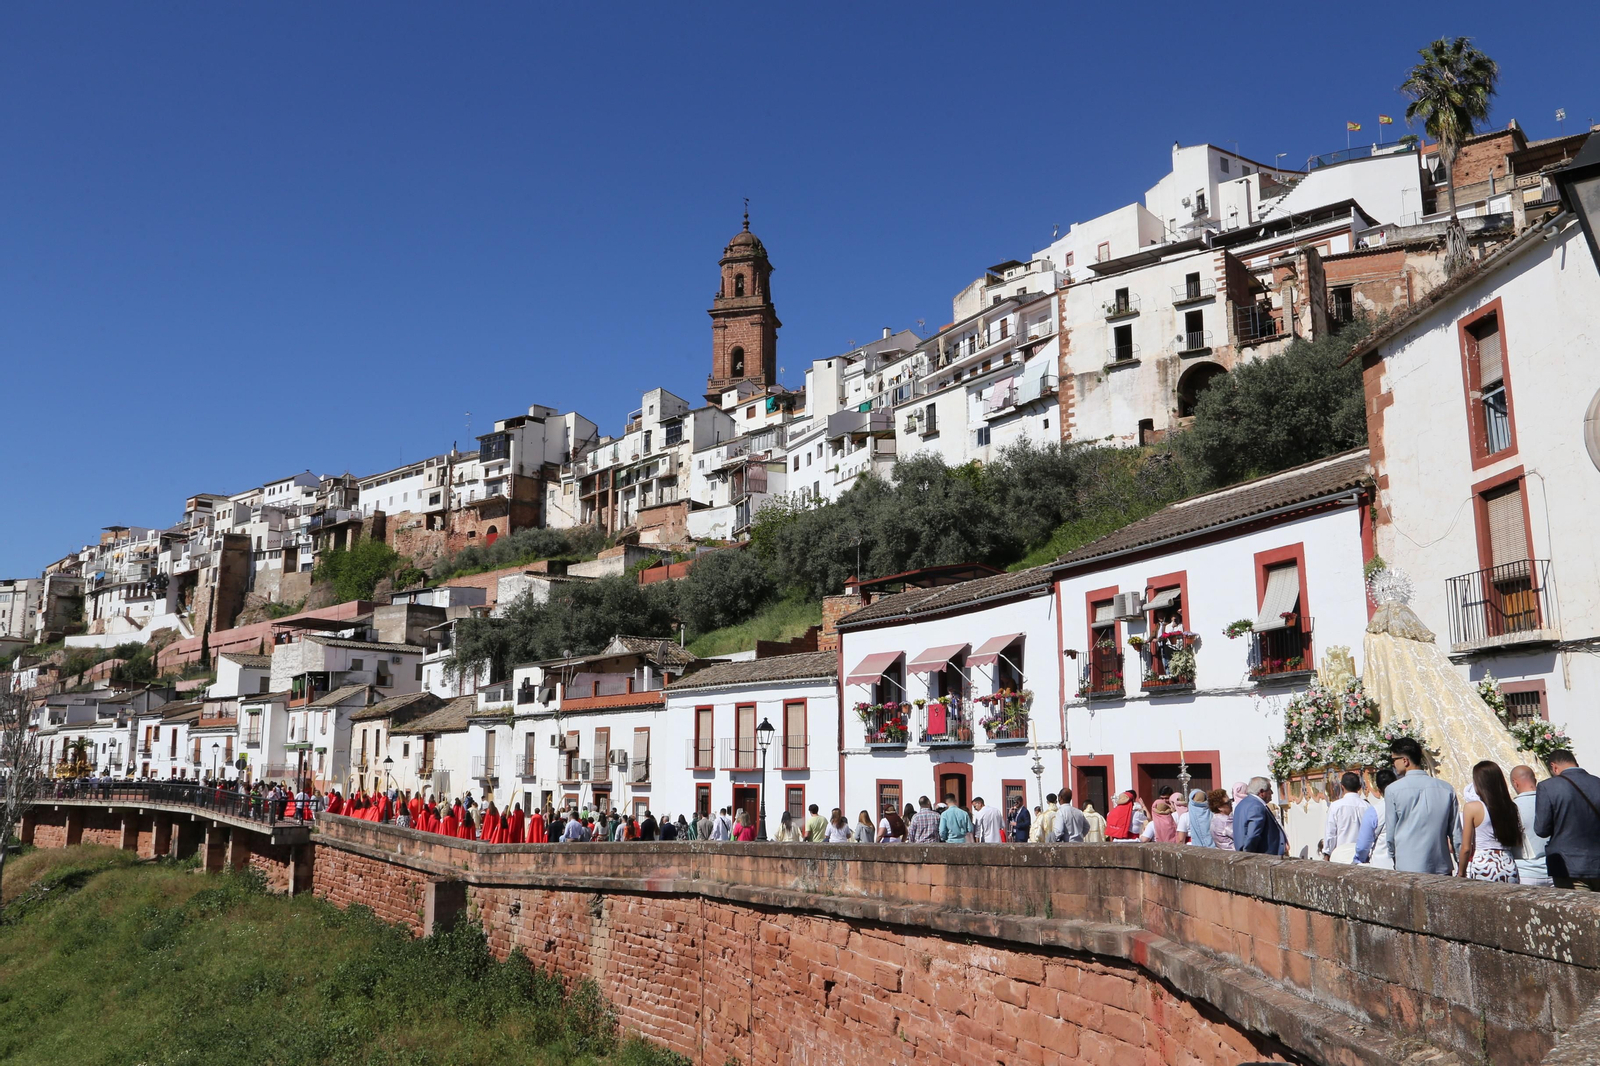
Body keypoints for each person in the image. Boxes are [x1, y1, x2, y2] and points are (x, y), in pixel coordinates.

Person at [1385, 737, 1459, 874]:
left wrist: (1395, 857)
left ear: (1405, 760)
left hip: (1408, 866)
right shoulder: (1446, 788)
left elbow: (1390, 834)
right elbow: (1455, 833)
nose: (1393, 764)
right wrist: (1460, 863)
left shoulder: (1392, 790)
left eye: (1394, 760)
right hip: (1440, 865)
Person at [1535, 749, 1600, 890]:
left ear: (1554, 767)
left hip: (1568, 866)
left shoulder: (1547, 787)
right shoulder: (1597, 783)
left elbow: (1541, 829)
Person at [1457, 760, 1523, 883]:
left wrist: (1461, 873)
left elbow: (1466, 848)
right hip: (1508, 864)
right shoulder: (1510, 807)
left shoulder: (1472, 807)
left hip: (1484, 864)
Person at [1510, 764, 1551, 887]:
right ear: (1535, 779)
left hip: (1526, 872)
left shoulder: (1511, 808)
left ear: (1515, 783)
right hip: (1554, 870)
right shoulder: (1552, 801)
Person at [1322, 773, 1370, 863]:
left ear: (1342, 787)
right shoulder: (1367, 806)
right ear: (1360, 787)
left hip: (1341, 855)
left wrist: (1327, 853)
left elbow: (1330, 833)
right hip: (1363, 856)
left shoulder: (1336, 806)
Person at [1355, 768, 1396, 867]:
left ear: (1378, 789)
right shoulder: (1407, 805)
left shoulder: (1374, 811)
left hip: (1382, 864)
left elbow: (1363, 846)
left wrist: (1358, 860)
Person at [1234, 778, 1287, 856]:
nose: (1272, 792)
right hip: (1262, 856)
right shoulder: (1257, 806)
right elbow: (1253, 835)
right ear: (1262, 792)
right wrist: (1248, 855)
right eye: (1269, 789)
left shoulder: (1242, 804)